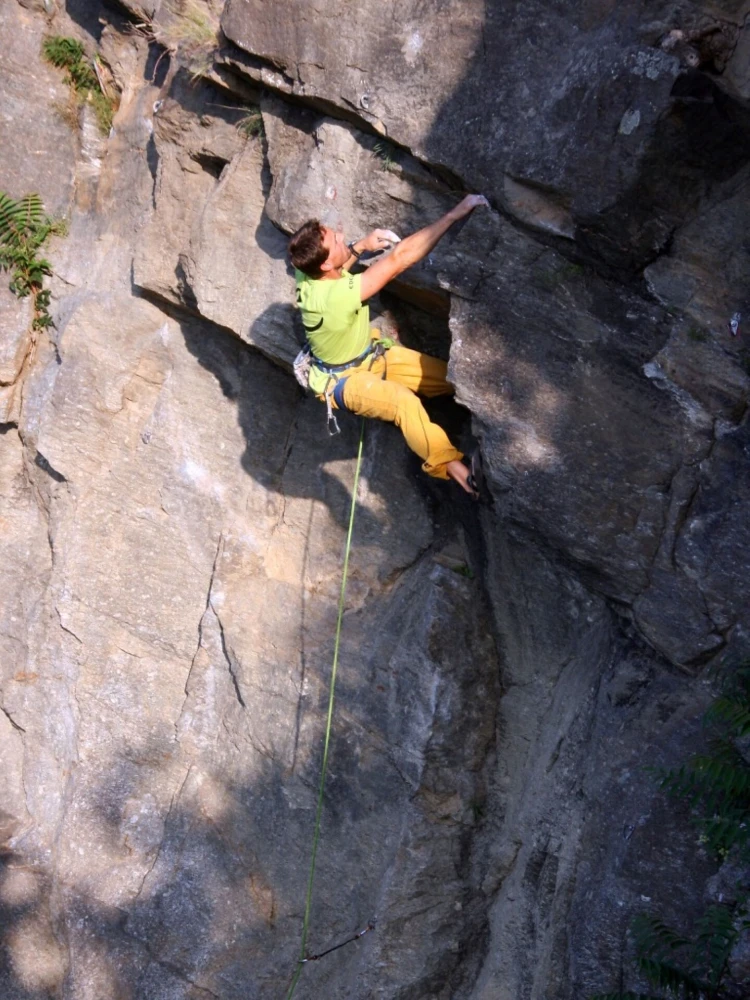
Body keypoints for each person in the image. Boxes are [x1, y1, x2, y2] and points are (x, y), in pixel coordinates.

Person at [288, 194, 489, 495]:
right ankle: (464, 477)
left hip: (371, 356)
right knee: (402, 403)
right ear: (326, 262)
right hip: (344, 381)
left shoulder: (306, 271)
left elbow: (337, 268)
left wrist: (359, 246)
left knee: (448, 377)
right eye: (336, 240)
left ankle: (487, 414)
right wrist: (453, 215)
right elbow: (399, 258)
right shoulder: (335, 298)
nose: (342, 236)